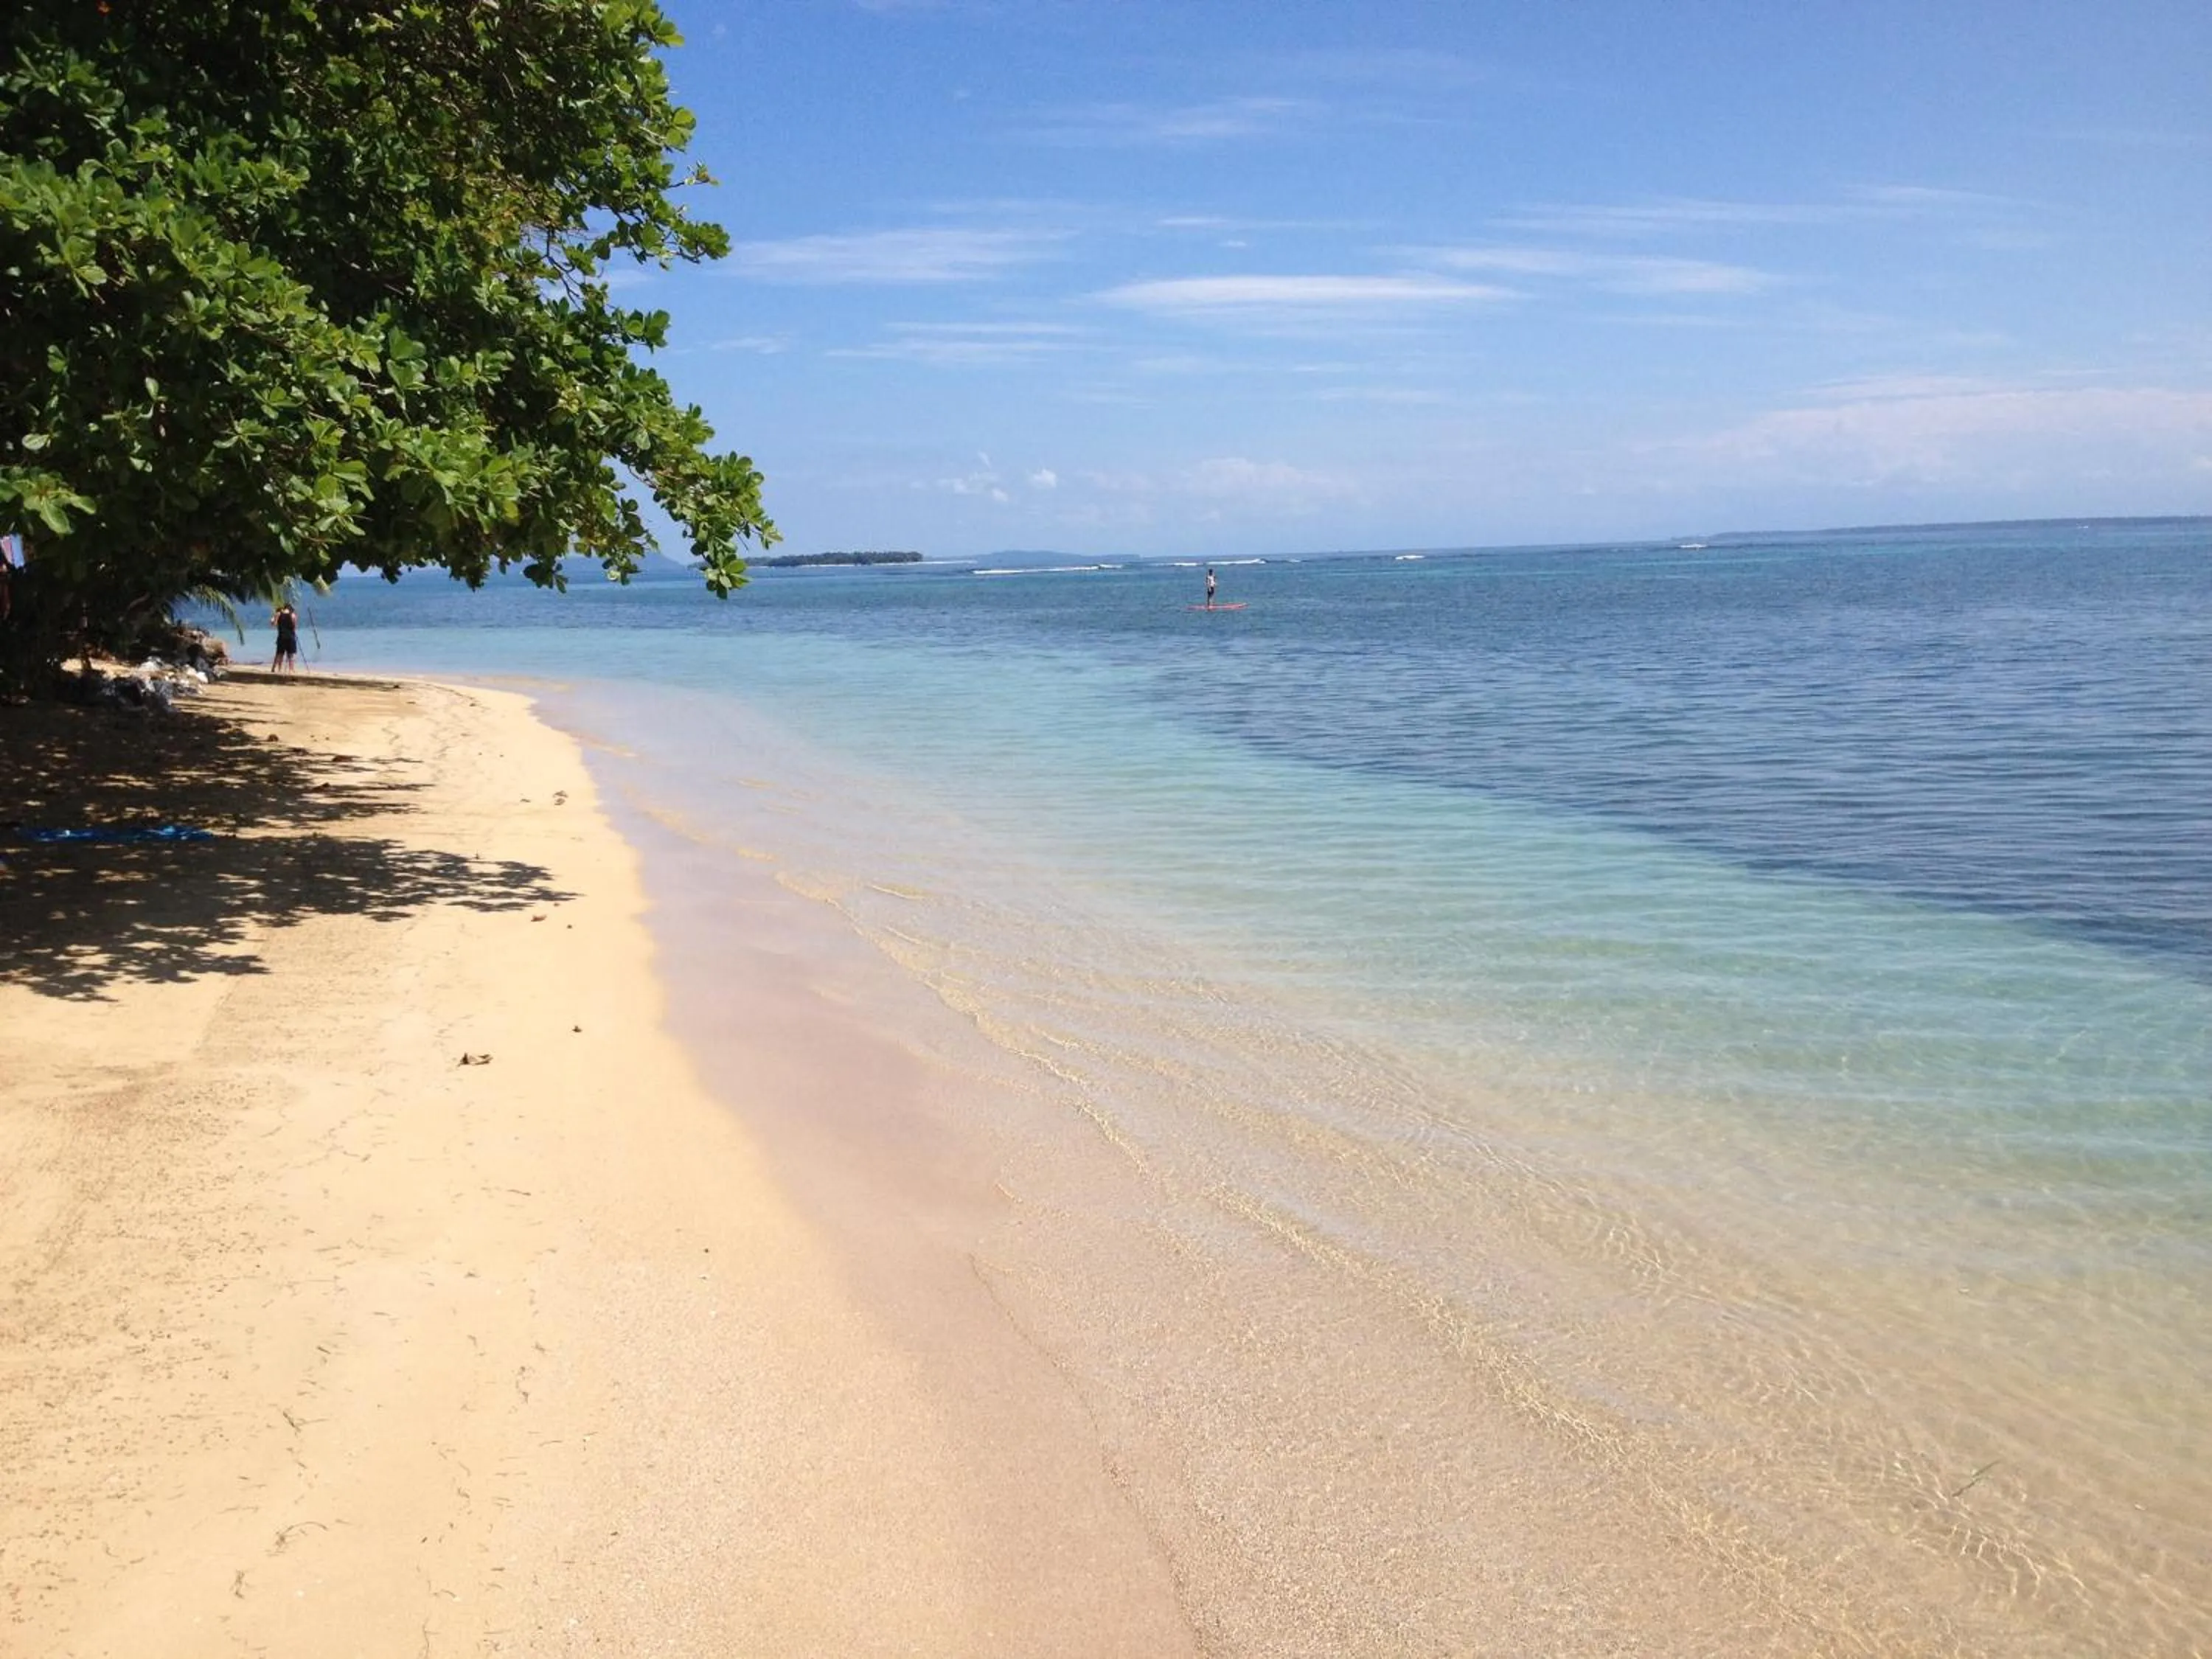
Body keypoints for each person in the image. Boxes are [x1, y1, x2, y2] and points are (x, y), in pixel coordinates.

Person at [271, 600, 299, 674]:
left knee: (280, 654)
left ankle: (279, 669)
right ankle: (291, 670)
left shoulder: (278, 614)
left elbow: (274, 624)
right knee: (291, 655)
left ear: (284, 608)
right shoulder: (293, 615)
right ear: (290, 609)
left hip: (282, 636)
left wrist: (272, 620)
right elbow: (294, 627)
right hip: (291, 637)